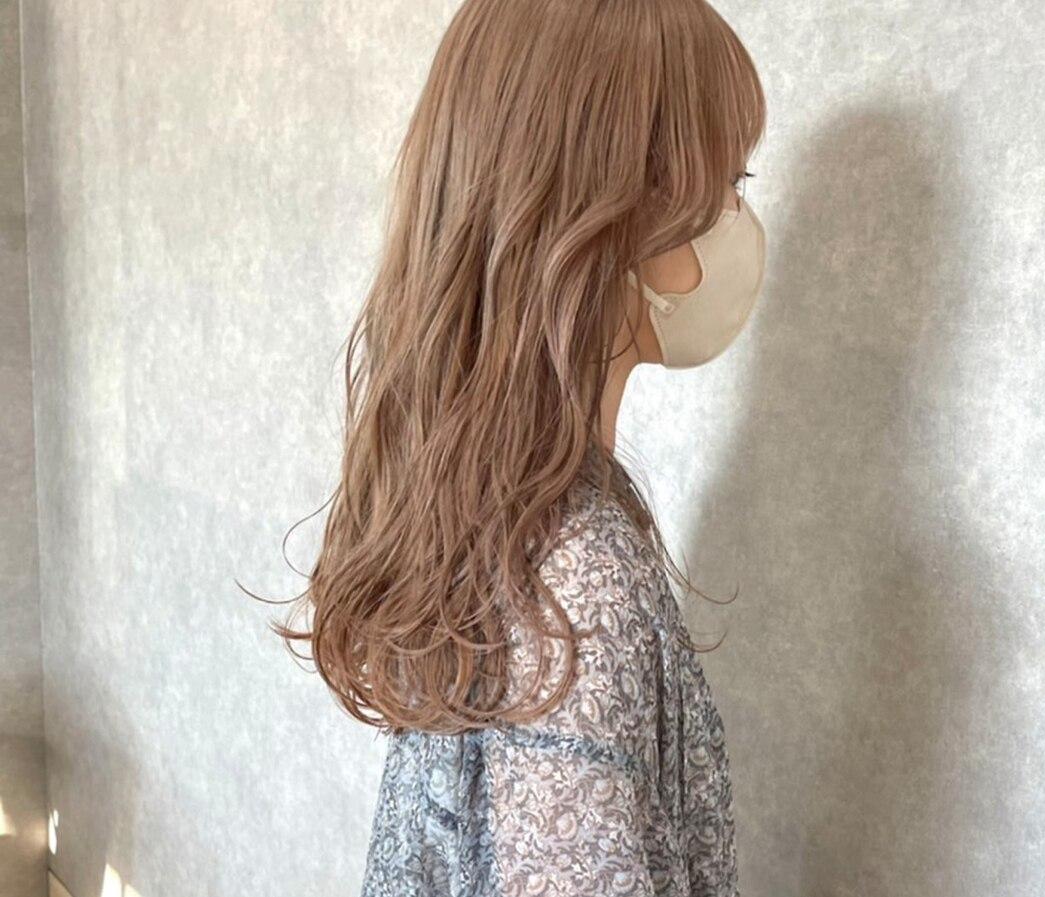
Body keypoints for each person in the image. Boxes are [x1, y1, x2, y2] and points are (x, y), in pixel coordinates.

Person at [269, 0, 767, 893]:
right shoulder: (576, 589)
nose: (740, 216)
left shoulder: (500, 515)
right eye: (729, 180)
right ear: (616, 217)